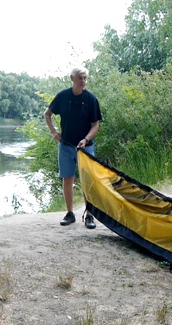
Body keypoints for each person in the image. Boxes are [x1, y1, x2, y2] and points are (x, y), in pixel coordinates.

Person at [44, 66, 102, 229]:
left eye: (85, 78)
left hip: (85, 147)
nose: (83, 81)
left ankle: (89, 214)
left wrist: (86, 139)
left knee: (87, 181)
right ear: (72, 78)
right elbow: (47, 114)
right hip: (66, 145)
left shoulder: (91, 99)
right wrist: (54, 132)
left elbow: (95, 125)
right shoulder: (63, 96)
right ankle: (70, 213)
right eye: (80, 78)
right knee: (67, 179)